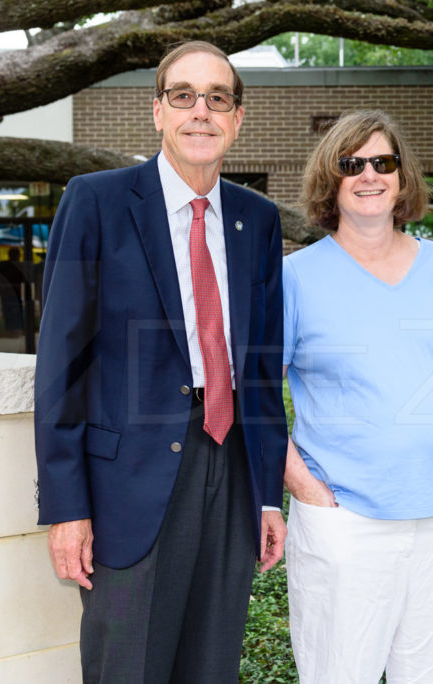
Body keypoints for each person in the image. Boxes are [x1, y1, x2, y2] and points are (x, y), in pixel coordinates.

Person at [34, 40, 287, 682]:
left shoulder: (256, 221)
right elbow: (61, 365)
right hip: (128, 484)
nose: (200, 112)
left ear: (237, 118)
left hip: (231, 472)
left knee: (211, 663)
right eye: (184, 96)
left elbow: (259, 371)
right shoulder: (96, 201)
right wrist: (67, 507)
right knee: (128, 666)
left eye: (218, 98)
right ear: (157, 111)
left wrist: (266, 498)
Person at [283, 109, 433, 683]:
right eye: (352, 164)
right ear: (331, 179)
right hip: (347, 522)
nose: (369, 175)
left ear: (403, 178)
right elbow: (253, 396)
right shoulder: (295, 277)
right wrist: (308, 490)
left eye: (383, 162)